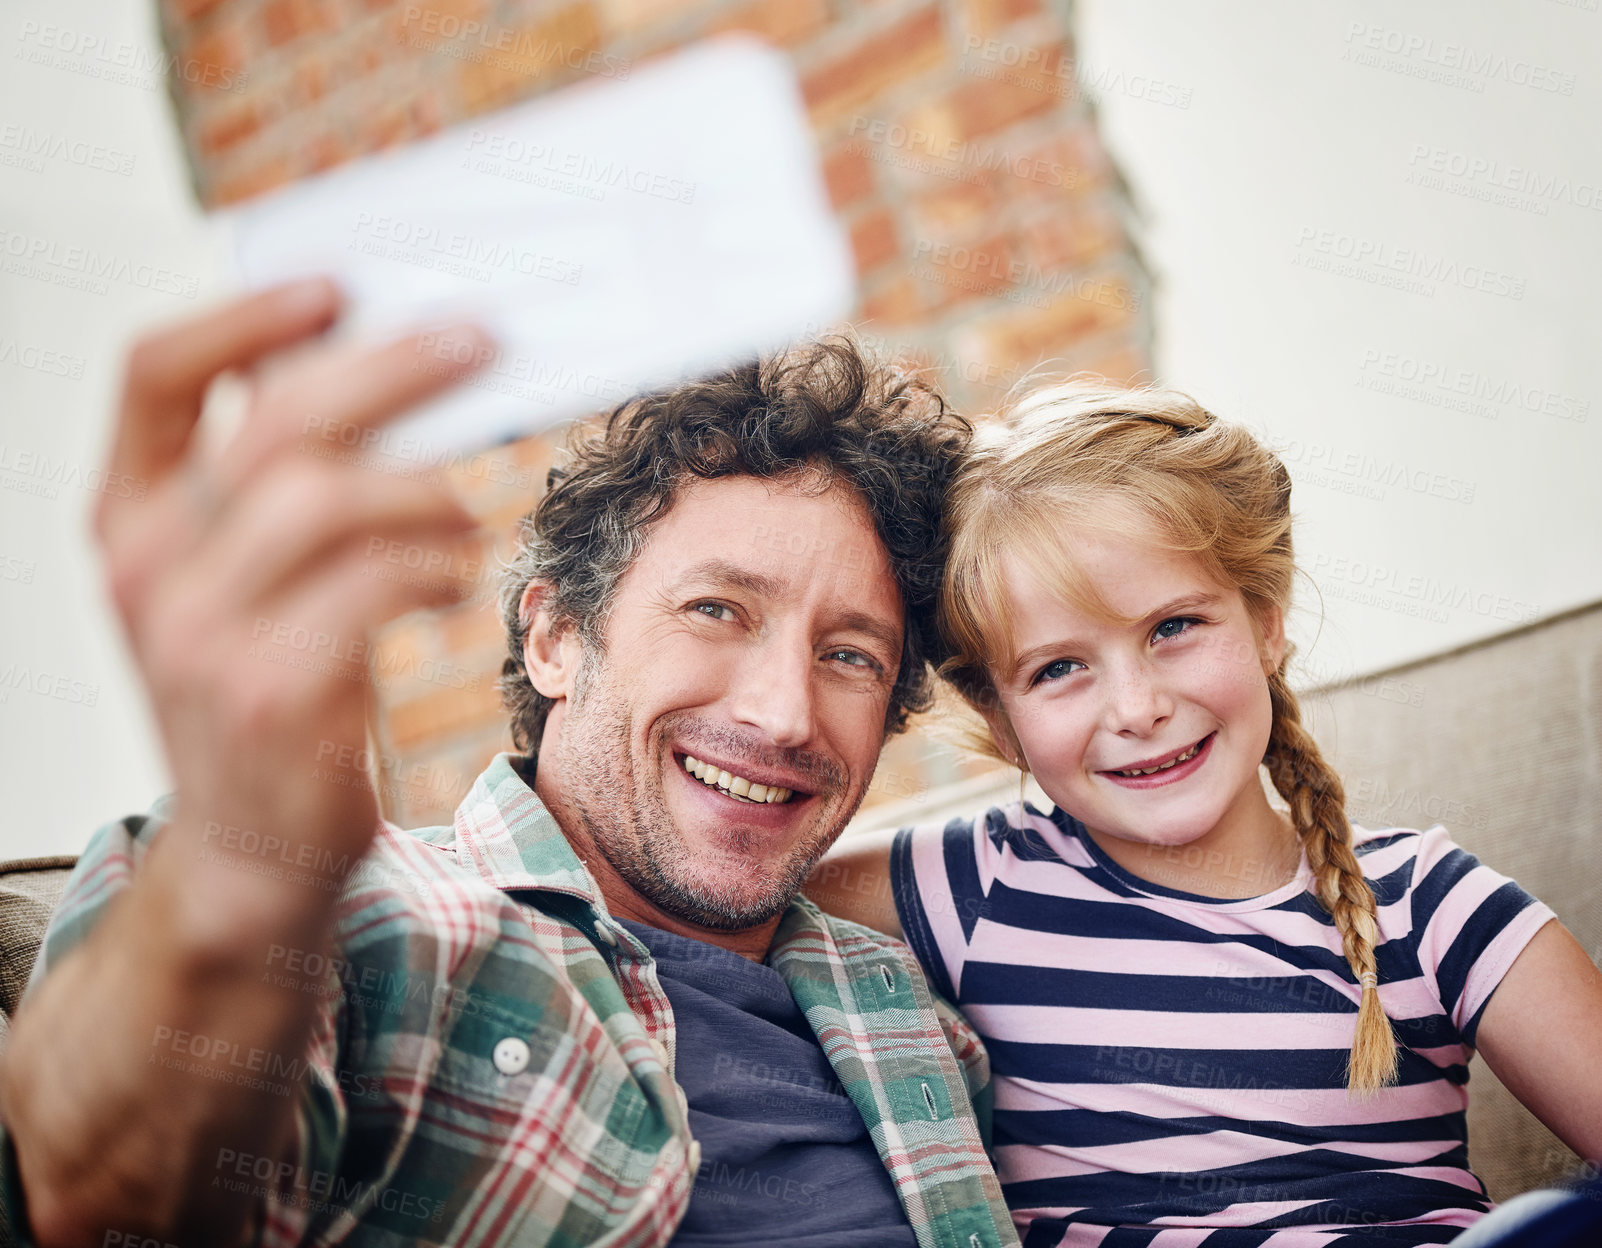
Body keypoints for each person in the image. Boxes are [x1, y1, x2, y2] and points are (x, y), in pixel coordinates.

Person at [0, 279, 1019, 1248]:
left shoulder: (924, 1015)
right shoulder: (344, 916)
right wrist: (238, 892)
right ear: (556, 638)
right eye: (717, 610)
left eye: (850, 656)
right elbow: (111, 1199)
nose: (784, 711)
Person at [814, 384, 1602, 1245]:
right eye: (1057, 669)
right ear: (1001, 722)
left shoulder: (1431, 906)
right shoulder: (975, 887)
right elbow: (710, 902)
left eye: (1174, 626)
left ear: (1267, 623)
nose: (1137, 706)